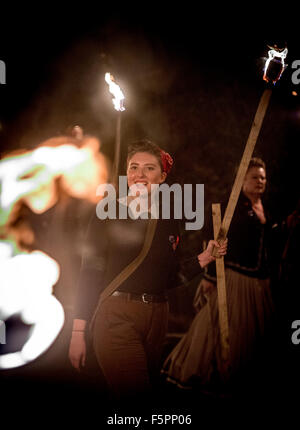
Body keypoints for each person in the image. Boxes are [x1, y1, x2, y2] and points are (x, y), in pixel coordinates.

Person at [68, 139, 227, 401]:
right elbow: (90, 273)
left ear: (162, 177)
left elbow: (170, 276)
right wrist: (77, 333)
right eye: (133, 167)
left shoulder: (167, 218)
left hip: (157, 319)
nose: (140, 174)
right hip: (116, 317)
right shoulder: (107, 211)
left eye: (149, 168)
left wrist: (205, 258)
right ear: (126, 173)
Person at [162, 157, 276, 395]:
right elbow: (216, 242)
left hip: (261, 283)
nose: (260, 181)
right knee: (227, 332)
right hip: (235, 281)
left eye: (263, 177)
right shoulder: (232, 207)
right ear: (242, 180)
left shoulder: (267, 208)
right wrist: (210, 278)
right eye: (255, 177)